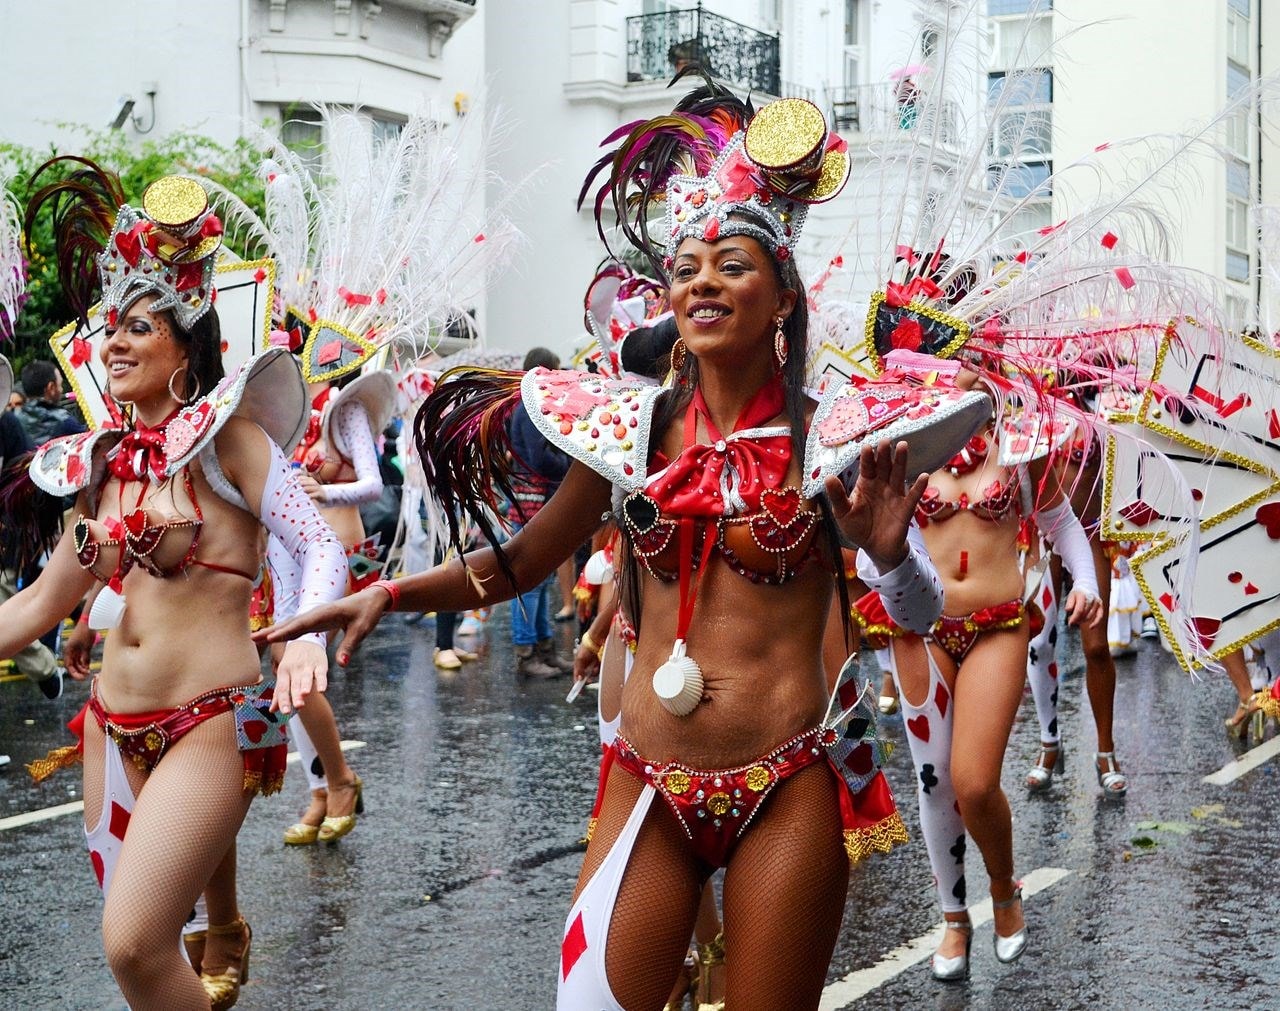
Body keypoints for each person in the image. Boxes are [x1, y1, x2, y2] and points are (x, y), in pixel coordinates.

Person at [263, 84, 991, 1008]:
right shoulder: (627, 432)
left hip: (786, 788)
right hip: (647, 780)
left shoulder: (832, 439)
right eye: (686, 267)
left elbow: (920, 614)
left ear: (782, 300)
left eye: (731, 264)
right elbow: (525, 561)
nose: (702, 282)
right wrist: (390, 595)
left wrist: (887, 550)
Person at [4, 164, 346, 1010]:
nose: (111, 344)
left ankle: (225, 925)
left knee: (134, 944)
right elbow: (40, 604)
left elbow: (316, 541)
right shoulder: (103, 464)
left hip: (204, 723)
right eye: (108, 330)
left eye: (137, 328)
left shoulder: (230, 439)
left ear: (185, 350)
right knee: (148, 966)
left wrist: (304, 634)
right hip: (107, 732)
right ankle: (220, 932)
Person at [506, 346, 572, 678]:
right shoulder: (529, 406)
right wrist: (570, 463)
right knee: (528, 582)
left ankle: (544, 650)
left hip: (533, 499)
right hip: (531, 500)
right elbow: (539, 456)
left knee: (540, 581)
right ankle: (526, 654)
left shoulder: (528, 404)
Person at [16, 358, 86, 445]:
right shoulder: (64, 421)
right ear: (51, 387)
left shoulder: (14, 420)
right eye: (60, 385)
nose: (62, 389)